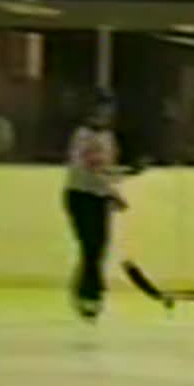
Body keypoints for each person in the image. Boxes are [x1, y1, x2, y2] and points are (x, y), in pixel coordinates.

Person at [63, 93, 126, 322]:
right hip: (80, 195)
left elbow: (106, 169)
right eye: (100, 111)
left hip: (99, 197)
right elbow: (88, 167)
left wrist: (118, 181)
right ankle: (91, 294)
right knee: (89, 245)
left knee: (99, 246)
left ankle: (86, 289)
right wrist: (112, 192)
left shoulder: (109, 137)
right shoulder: (83, 136)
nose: (105, 116)